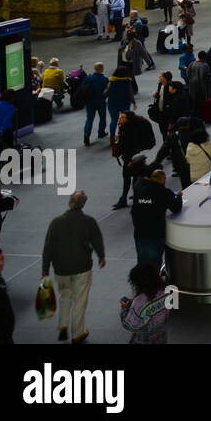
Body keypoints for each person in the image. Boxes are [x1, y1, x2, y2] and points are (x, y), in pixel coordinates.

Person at [41, 191, 106, 343]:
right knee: (80, 300)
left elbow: (48, 247)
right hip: (82, 267)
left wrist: (45, 268)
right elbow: (97, 240)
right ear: (83, 204)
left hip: (61, 268)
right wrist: (101, 256)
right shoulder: (88, 221)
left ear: (69, 202)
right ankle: (77, 333)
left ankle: (63, 327)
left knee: (65, 296)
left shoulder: (56, 222)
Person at [131, 170, 182, 269]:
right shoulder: (164, 193)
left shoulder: (140, 191)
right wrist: (178, 197)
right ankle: (152, 282)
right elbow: (176, 208)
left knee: (142, 261)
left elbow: (134, 211)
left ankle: (141, 281)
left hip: (140, 233)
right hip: (156, 234)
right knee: (154, 263)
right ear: (163, 179)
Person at [112, 109, 157, 208]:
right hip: (132, 156)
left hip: (130, 157)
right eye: (121, 117)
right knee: (136, 175)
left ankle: (124, 198)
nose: (121, 119)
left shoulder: (130, 130)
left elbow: (129, 146)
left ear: (128, 119)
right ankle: (136, 194)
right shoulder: (127, 126)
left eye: (123, 117)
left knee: (127, 176)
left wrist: (130, 161)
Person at [120, 263, 172, 344]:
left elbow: (129, 325)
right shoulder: (165, 292)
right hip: (161, 335)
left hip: (145, 339)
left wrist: (125, 309)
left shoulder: (139, 303)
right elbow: (167, 312)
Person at [103, 65, 138, 139]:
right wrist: (134, 102)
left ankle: (112, 136)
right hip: (125, 103)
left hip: (113, 103)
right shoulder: (127, 81)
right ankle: (124, 134)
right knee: (125, 120)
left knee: (114, 120)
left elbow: (106, 93)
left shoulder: (112, 81)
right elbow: (130, 93)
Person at [81, 63, 108, 145]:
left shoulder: (88, 78)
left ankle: (86, 135)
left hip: (90, 102)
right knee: (102, 117)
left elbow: (83, 88)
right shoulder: (105, 79)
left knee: (89, 119)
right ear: (102, 69)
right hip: (101, 101)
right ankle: (101, 132)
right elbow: (107, 91)